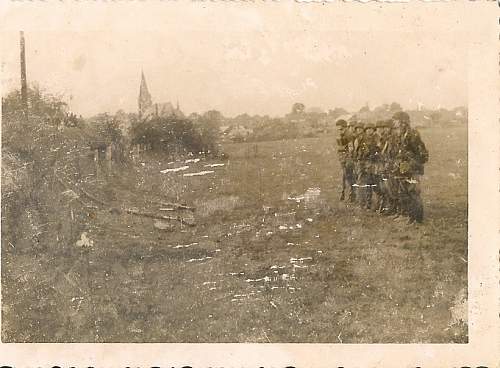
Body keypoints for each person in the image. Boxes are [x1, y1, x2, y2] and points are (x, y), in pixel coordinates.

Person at [392, 111, 429, 223]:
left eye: (396, 120)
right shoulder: (401, 134)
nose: (394, 123)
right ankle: (409, 216)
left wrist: (412, 163)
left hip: (412, 169)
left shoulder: (412, 134)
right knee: (404, 192)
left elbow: (422, 154)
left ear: (403, 122)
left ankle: (417, 219)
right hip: (403, 169)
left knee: (413, 193)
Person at [335, 119, 355, 201]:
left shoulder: (349, 134)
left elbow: (351, 148)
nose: (339, 130)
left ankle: (351, 193)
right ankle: (345, 193)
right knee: (345, 175)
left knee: (348, 176)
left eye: (341, 128)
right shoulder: (341, 133)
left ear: (344, 127)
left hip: (347, 157)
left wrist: (348, 158)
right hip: (342, 157)